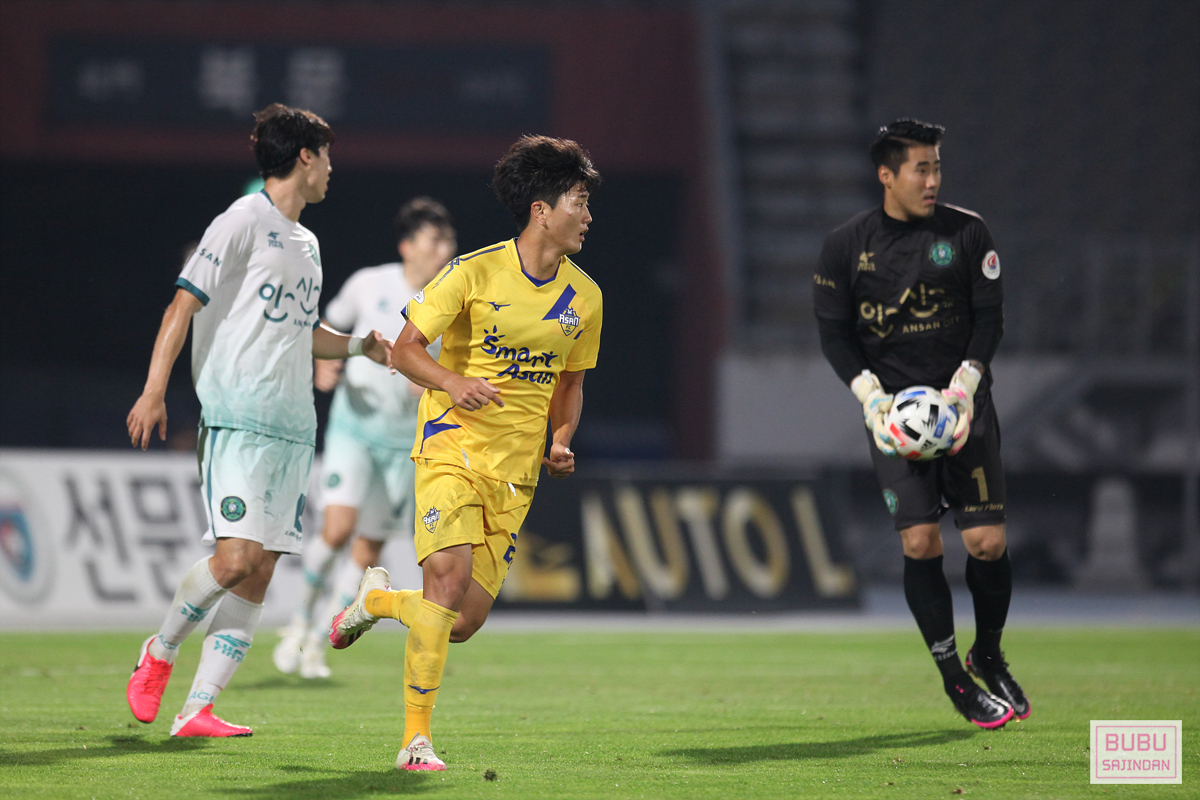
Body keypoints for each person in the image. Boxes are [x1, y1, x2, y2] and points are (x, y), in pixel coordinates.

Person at [328, 135, 603, 771]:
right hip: (450, 448)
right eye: (579, 201)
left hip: (515, 475)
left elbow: (570, 384)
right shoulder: (471, 273)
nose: (588, 215)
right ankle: (414, 742)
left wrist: (562, 439)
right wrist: (452, 383)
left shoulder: (585, 298)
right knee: (446, 583)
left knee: (460, 621)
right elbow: (405, 350)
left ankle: (376, 600)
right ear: (541, 210)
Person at [124, 103, 392, 737]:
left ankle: (198, 708)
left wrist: (358, 346)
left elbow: (304, 331)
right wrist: (154, 390)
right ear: (305, 156)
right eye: (327, 156)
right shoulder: (242, 220)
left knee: (263, 566)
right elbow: (181, 306)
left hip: (293, 425)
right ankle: (159, 650)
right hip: (237, 416)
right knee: (235, 557)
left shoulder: (308, 243)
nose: (332, 169)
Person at [813, 118, 1029, 729]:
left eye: (937, 167)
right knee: (920, 542)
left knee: (988, 544)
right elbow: (834, 334)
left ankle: (988, 654)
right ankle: (955, 678)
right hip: (895, 420)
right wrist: (869, 397)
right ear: (887, 175)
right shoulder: (845, 247)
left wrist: (965, 386)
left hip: (963, 411)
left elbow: (990, 319)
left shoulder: (967, 233)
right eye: (921, 169)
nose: (933, 180)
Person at [273, 198, 457, 679]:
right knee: (337, 529)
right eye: (435, 240)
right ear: (407, 246)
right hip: (354, 428)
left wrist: (434, 382)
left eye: (449, 242)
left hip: (404, 443)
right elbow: (326, 325)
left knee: (369, 549)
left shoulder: (452, 301)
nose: (445, 250)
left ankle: (318, 641)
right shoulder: (369, 283)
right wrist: (324, 362)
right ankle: (297, 624)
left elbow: (450, 369)